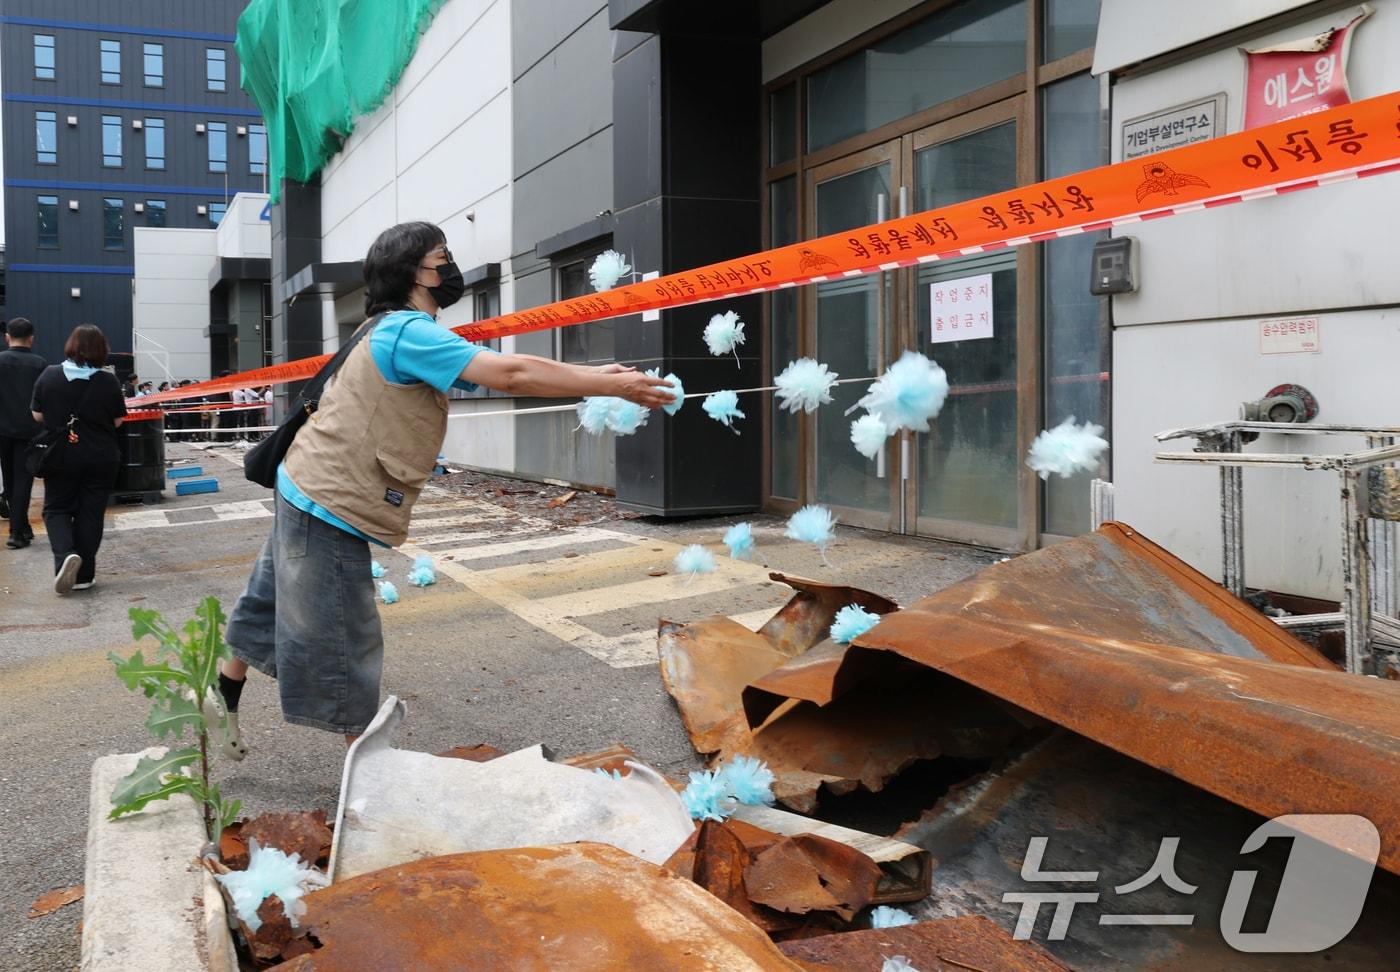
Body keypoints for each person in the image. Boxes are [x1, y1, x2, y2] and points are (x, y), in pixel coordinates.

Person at [213, 221, 674, 757]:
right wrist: (611, 384)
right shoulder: (407, 332)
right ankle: (366, 771)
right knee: (343, 628)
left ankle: (221, 694)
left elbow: (513, 367)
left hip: (306, 481)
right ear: (416, 271)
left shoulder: (394, 328)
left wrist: (600, 373)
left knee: (270, 597)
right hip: (329, 496)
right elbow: (514, 375)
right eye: (441, 256)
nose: (450, 264)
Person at [30, 324, 127, 594]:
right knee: (91, 513)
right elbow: (118, 421)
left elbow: (37, 416)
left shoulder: (49, 375)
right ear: (101, 349)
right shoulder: (108, 381)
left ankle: (65, 557)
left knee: (56, 509)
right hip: (101, 456)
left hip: (60, 456)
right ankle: (84, 576)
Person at [0, 318, 47, 548]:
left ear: (7, 337)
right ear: (32, 338)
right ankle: (16, 531)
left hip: (3, 431)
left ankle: (23, 527)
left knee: (9, 481)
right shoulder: (40, 364)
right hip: (30, 432)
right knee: (23, 481)